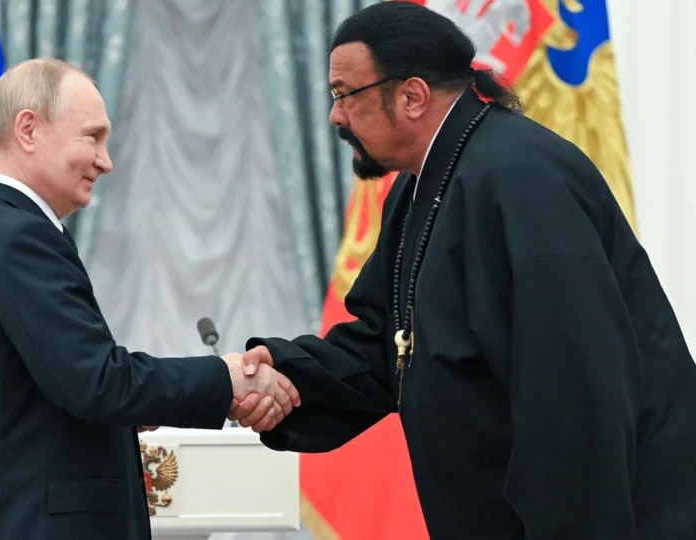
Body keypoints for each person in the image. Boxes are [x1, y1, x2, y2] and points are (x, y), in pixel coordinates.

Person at [228, 2, 696, 539]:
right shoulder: (420, 185)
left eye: (344, 94)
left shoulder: (520, 178)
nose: (335, 116)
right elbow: (386, 346)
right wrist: (279, 375)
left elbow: (574, 396)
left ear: (412, 95)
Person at [0, 58, 300, 540]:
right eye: (92, 136)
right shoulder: (20, 239)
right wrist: (225, 377)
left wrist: (136, 411)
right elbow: (97, 383)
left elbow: (42, 393)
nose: (106, 161)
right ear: (28, 130)